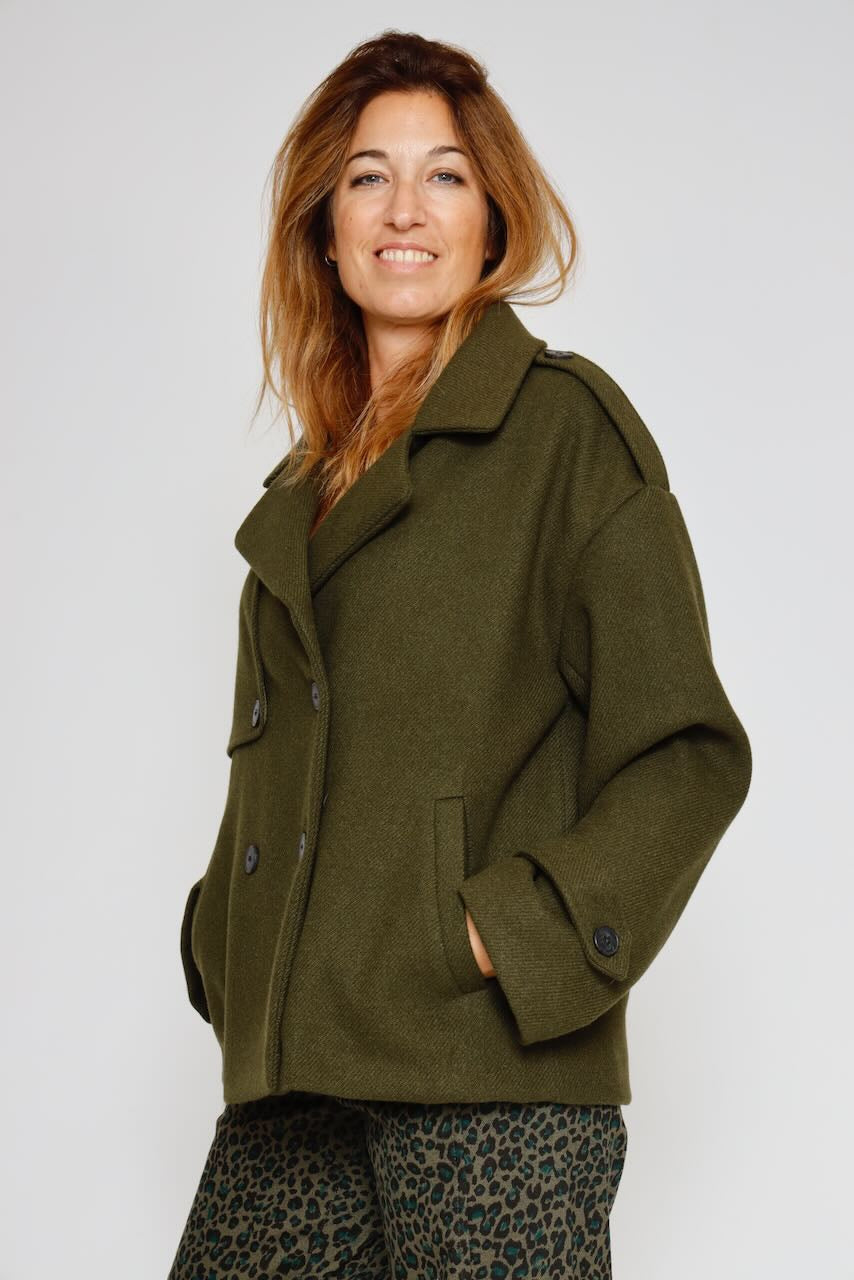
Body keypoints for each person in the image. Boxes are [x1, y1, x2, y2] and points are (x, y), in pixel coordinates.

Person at [169, 30, 753, 1280]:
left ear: (491, 221)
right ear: (325, 226)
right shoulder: (301, 492)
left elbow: (685, 752)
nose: (404, 209)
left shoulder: (563, 434)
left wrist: (501, 935)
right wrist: (224, 936)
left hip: (490, 1084)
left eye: (443, 175)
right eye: (367, 176)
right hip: (296, 1074)